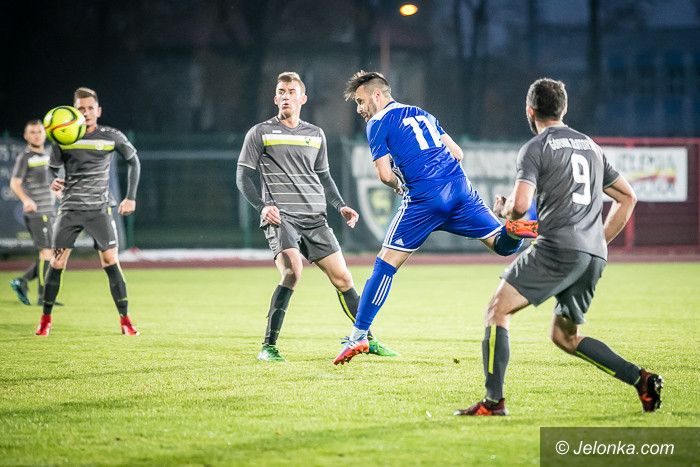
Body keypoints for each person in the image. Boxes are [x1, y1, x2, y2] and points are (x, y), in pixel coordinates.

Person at [455, 78, 662, 416]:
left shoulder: (536, 147)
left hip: (557, 249)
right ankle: (641, 380)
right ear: (564, 109)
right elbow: (628, 197)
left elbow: (521, 207)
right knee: (565, 337)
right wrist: (597, 241)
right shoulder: (591, 147)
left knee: (497, 310)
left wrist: (504, 209)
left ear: (530, 111)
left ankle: (493, 403)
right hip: (592, 256)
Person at [333, 71, 536, 365]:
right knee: (503, 245)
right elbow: (457, 153)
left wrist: (401, 186)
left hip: (425, 198)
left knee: (385, 264)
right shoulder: (422, 113)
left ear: (377, 95)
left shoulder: (377, 122)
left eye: (361, 101)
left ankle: (359, 336)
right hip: (459, 189)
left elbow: (384, 175)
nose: (359, 109)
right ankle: (522, 225)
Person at [237, 71, 398, 362]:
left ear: (303, 98)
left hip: (315, 218)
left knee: (343, 278)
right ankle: (268, 347)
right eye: (281, 92)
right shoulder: (260, 132)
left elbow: (323, 176)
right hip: (282, 216)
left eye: (291, 92)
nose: (286, 96)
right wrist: (262, 207)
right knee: (292, 271)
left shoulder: (315, 134)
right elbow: (243, 177)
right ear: (275, 98)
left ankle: (367, 339)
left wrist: (340, 205)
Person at [35, 87, 141, 336]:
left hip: (99, 210)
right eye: (81, 108)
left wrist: (130, 197)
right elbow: (51, 170)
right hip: (70, 210)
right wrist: (53, 181)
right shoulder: (64, 138)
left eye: (90, 108)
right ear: (74, 111)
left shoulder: (111, 136)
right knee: (57, 262)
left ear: (98, 110)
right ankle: (45, 319)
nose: (86, 112)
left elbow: (134, 161)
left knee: (110, 261)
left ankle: (125, 320)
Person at [9, 120, 59, 306]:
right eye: (32, 132)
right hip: (37, 213)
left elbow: (51, 181)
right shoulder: (25, 157)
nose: (37, 135)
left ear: (45, 134)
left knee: (51, 254)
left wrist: (57, 192)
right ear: (26, 136)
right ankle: (44, 297)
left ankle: (21, 281)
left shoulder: (49, 154)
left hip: (50, 212)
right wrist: (26, 200)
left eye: (39, 131)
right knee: (47, 253)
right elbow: (14, 183)